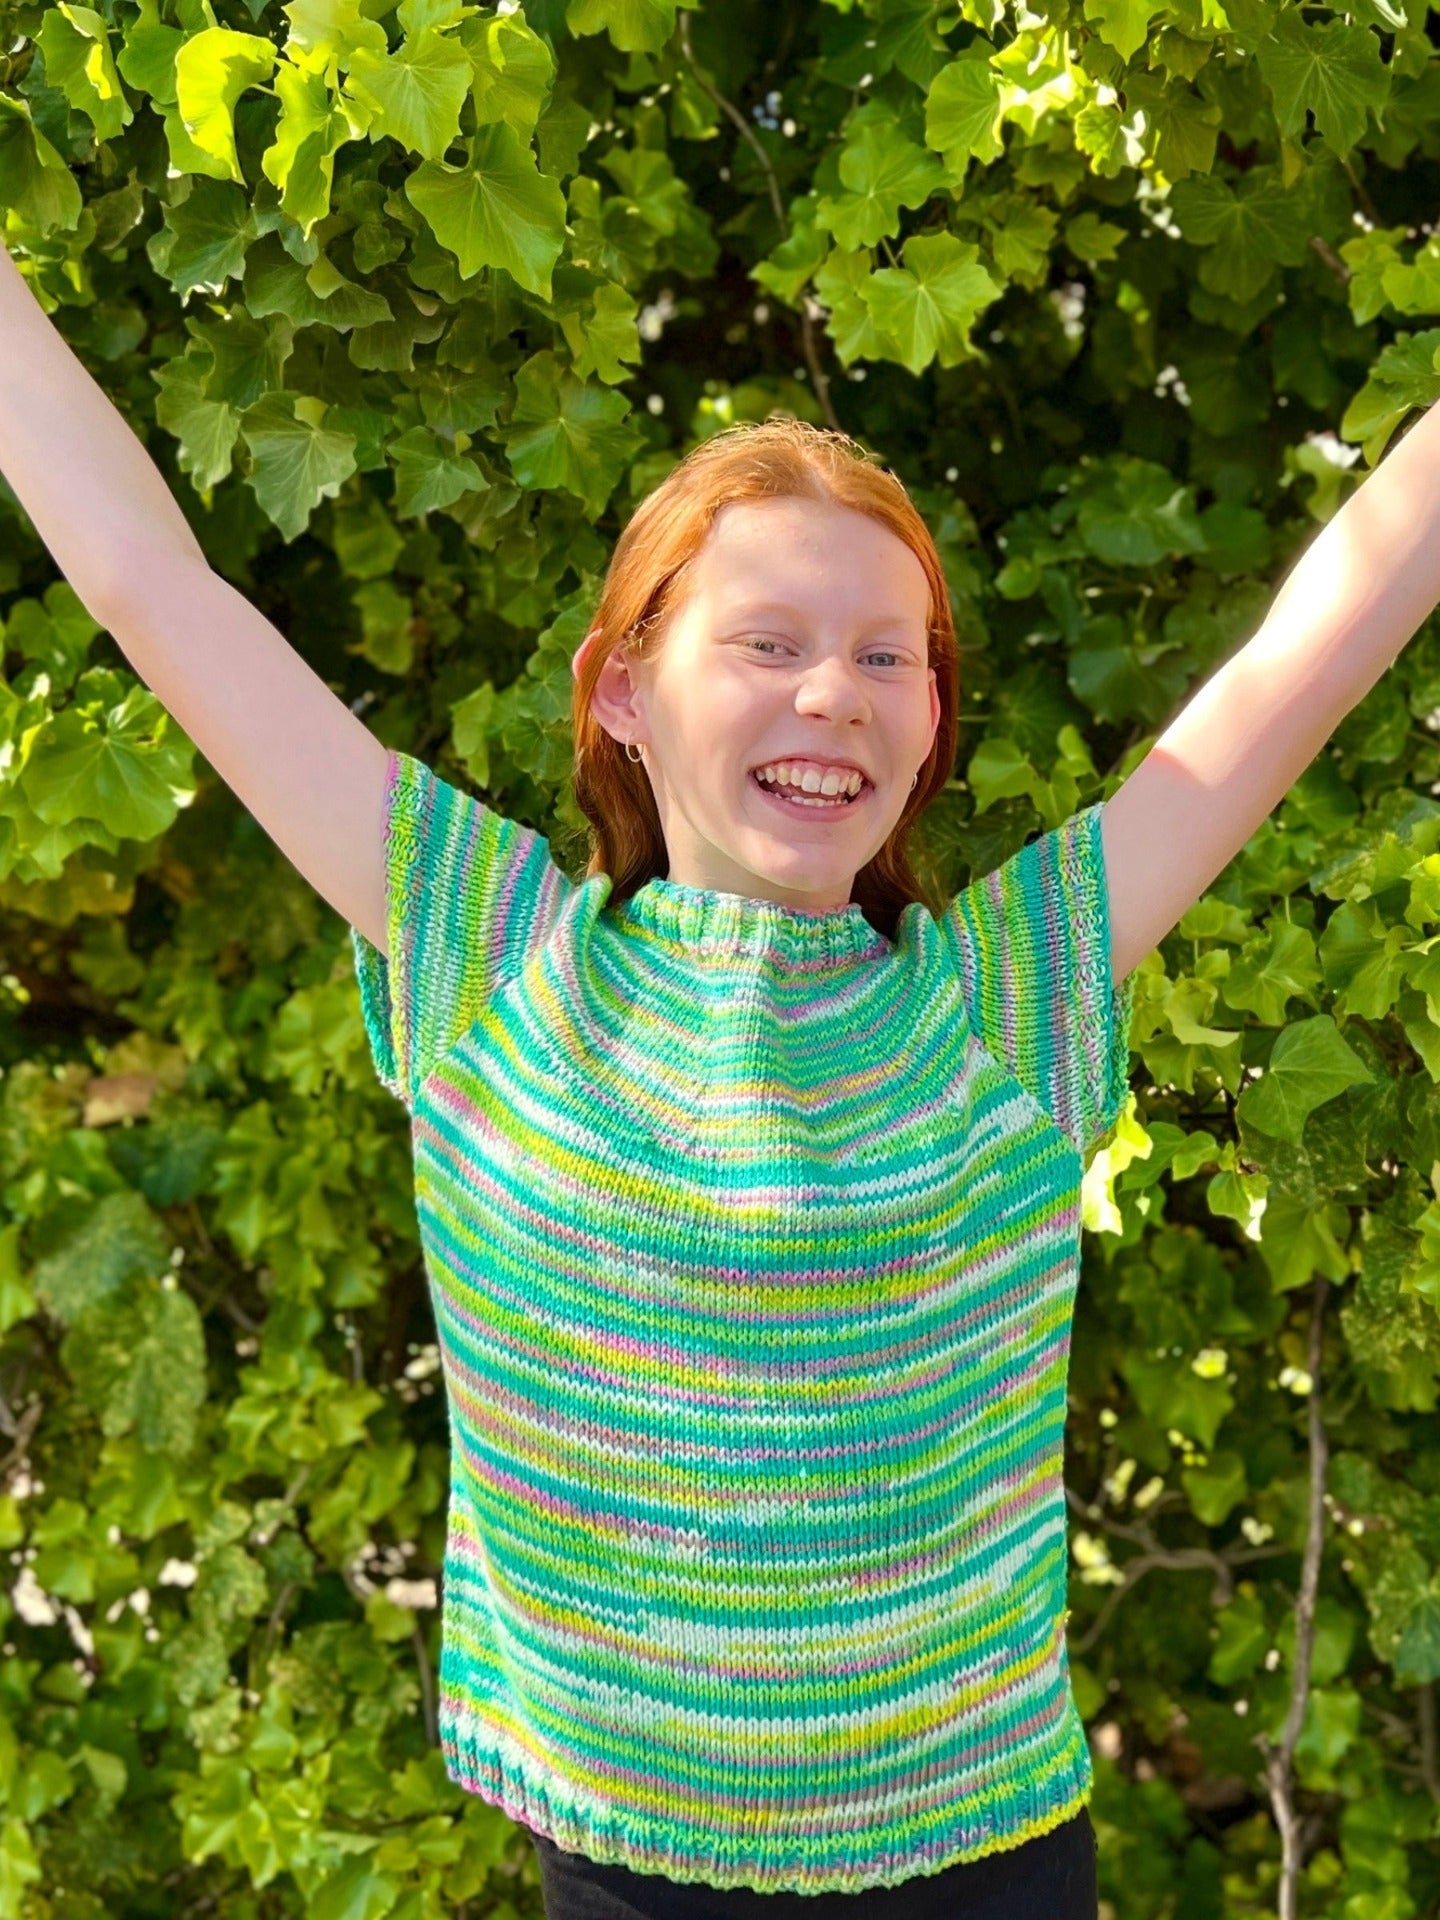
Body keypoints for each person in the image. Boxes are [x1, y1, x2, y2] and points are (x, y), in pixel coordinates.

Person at [4, 229, 1438, 1919]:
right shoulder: (490, 960)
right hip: (624, 1875)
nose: (836, 690)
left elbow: (1318, 645)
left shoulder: (1007, 1002)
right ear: (621, 689)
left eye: (890, 655)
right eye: (767, 642)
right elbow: (148, 584)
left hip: (982, 1859)